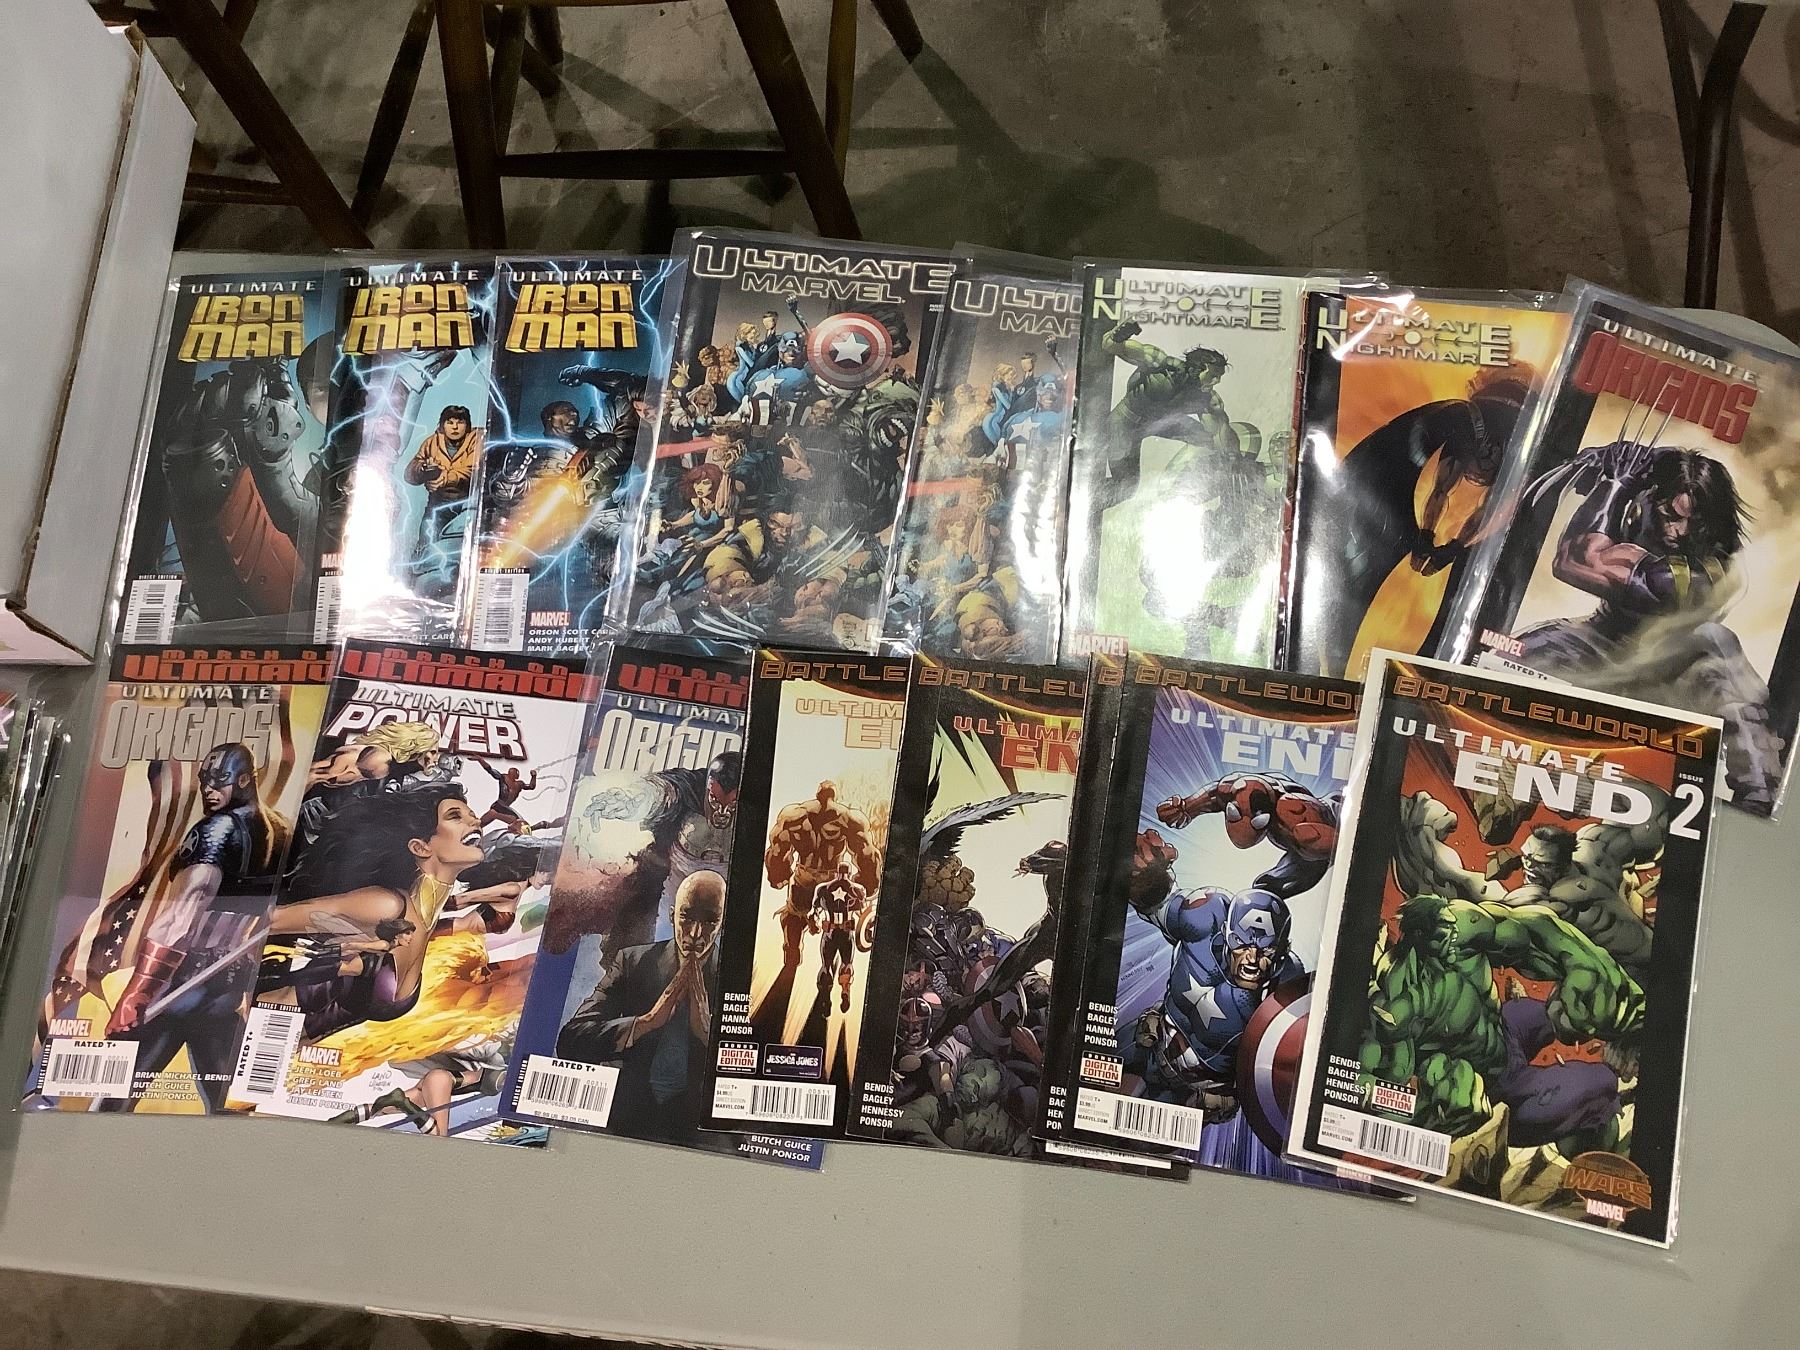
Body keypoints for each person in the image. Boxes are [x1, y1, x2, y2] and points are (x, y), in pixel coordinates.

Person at [101, 744, 289, 1111]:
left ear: (245, 780)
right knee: (229, 1107)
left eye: (220, 781)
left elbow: (182, 915)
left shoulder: (218, 828)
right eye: (205, 781)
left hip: (179, 984)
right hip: (229, 986)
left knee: (112, 1100)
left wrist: (137, 993)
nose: (208, 789)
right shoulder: (282, 829)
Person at [554, 871, 728, 1145]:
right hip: (622, 1119)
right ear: (672, 915)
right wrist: (643, 1024)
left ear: (722, 922)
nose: (696, 933)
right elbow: (571, 1039)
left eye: (709, 921)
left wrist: (709, 1037)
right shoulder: (633, 961)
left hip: (701, 1130)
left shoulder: (742, 978)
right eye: (687, 917)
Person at [403, 404, 483, 559]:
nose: (455, 427)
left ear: (467, 425)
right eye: (450, 422)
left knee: (463, 552)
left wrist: (445, 477)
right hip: (437, 505)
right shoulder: (432, 442)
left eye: (460, 422)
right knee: (424, 548)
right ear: (442, 425)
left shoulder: (477, 439)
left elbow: (474, 469)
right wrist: (424, 470)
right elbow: (409, 474)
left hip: (467, 505)